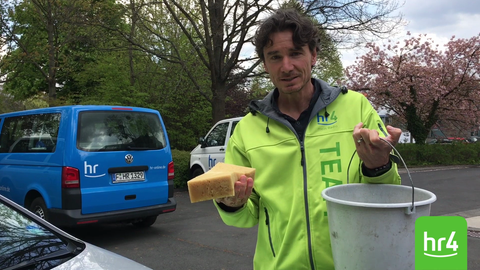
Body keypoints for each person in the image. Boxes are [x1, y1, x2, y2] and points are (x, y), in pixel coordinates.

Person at [213, 8, 402, 270]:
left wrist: (378, 166)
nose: (286, 66)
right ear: (265, 64)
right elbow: (245, 218)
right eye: (275, 57)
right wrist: (231, 204)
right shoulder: (247, 130)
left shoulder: (356, 108)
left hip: (352, 262)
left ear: (313, 55)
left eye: (295, 53)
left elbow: (387, 198)